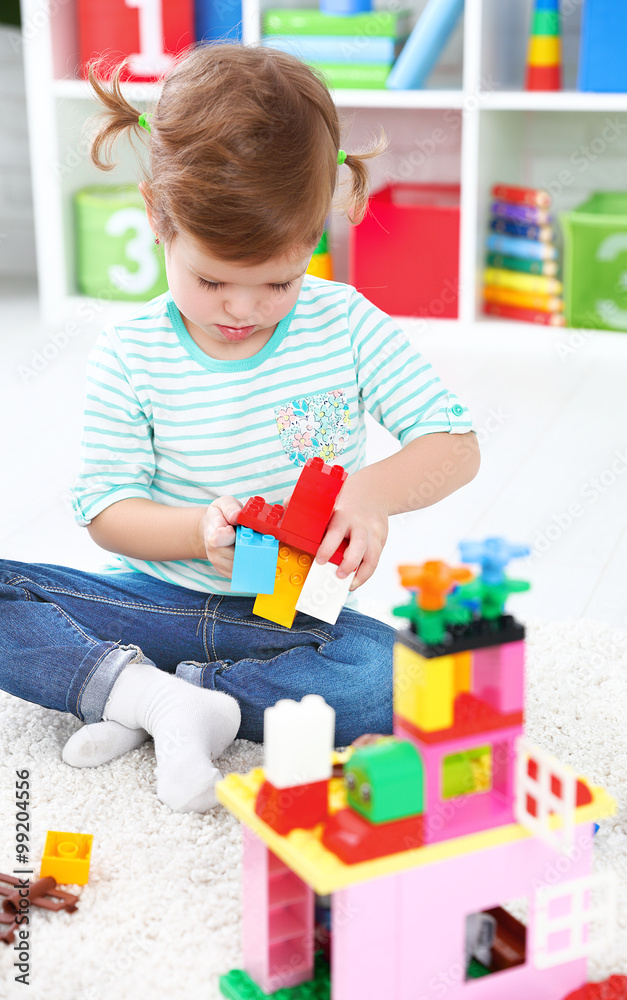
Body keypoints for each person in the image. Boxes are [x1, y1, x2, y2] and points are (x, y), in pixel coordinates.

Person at [0, 45, 479, 813]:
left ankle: (154, 699)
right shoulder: (131, 354)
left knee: (391, 678)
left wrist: (370, 492)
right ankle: (151, 694)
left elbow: (454, 445)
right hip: (154, 602)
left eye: (277, 282)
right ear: (159, 217)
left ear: (316, 232)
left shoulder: (346, 326)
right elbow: (107, 514)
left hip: (288, 621)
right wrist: (197, 531)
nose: (241, 309)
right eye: (212, 279)